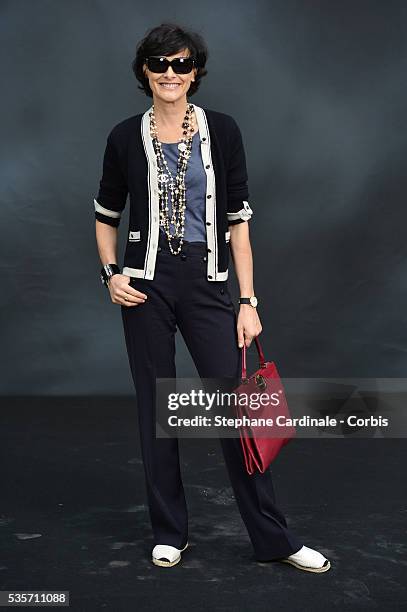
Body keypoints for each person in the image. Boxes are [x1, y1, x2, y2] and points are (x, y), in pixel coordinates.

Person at [93, 22, 331, 573]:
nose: (170, 74)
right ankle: (170, 532)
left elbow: (239, 224)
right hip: (145, 287)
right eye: (160, 64)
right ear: (145, 72)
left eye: (181, 64)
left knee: (236, 410)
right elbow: (105, 217)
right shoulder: (124, 137)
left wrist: (247, 303)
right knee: (159, 410)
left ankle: (274, 538)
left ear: (195, 71)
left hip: (207, 284)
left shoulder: (222, 132)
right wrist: (111, 274)